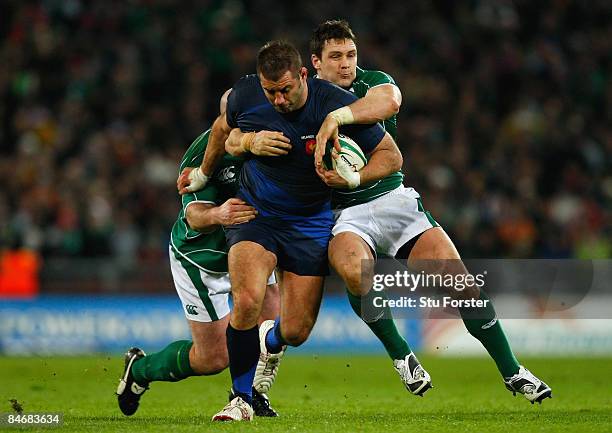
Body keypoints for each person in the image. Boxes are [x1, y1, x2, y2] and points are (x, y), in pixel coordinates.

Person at [306, 19, 551, 404]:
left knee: (461, 286)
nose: (345, 64)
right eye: (335, 57)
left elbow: (391, 102)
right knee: (356, 272)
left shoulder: (372, 83)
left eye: (350, 55)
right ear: (316, 62)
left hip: (392, 199)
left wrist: (338, 121)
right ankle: (402, 355)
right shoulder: (304, 99)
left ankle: (513, 370)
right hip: (343, 214)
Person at [179, 40, 403, 421]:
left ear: (303, 75)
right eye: (271, 92)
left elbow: (392, 156)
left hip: (311, 225)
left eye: (285, 90)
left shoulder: (331, 104)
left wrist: (353, 179)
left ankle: (269, 345)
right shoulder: (246, 95)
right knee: (247, 299)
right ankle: (241, 398)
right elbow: (222, 130)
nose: (279, 100)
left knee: (297, 331)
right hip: (258, 216)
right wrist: (208, 170)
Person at [115, 118, 282, 418]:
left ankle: (249, 394)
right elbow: (193, 215)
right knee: (213, 358)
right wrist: (219, 213)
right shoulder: (205, 150)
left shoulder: (275, 134)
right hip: (203, 259)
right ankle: (139, 370)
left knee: (270, 324)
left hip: (252, 246)